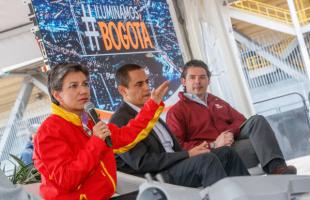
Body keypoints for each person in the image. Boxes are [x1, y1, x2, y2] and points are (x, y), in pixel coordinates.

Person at [33, 63, 168, 200]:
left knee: (156, 195)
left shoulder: (89, 120)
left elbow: (126, 136)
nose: (83, 91)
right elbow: (67, 180)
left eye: (85, 84)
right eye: (74, 86)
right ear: (58, 95)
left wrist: (152, 105)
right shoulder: (49, 131)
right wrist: (96, 142)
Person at [110, 64, 249, 188]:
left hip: (177, 164)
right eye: (139, 84)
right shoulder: (119, 120)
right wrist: (187, 154)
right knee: (206, 161)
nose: (147, 88)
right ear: (123, 90)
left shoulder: (149, 111)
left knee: (226, 153)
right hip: (158, 176)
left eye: (147, 82)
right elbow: (142, 162)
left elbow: (173, 147)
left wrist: (192, 153)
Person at [166, 59, 297, 175]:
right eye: (192, 77)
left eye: (202, 77)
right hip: (213, 154)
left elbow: (241, 121)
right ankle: (270, 169)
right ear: (183, 81)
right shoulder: (176, 112)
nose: (197, 82)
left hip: (232, 144)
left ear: (208, 80)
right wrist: (214, 144)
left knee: (257, 120)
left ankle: (277, 169)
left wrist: (229, 133)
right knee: (261, 145)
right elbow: (179, 147)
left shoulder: (216, 101)